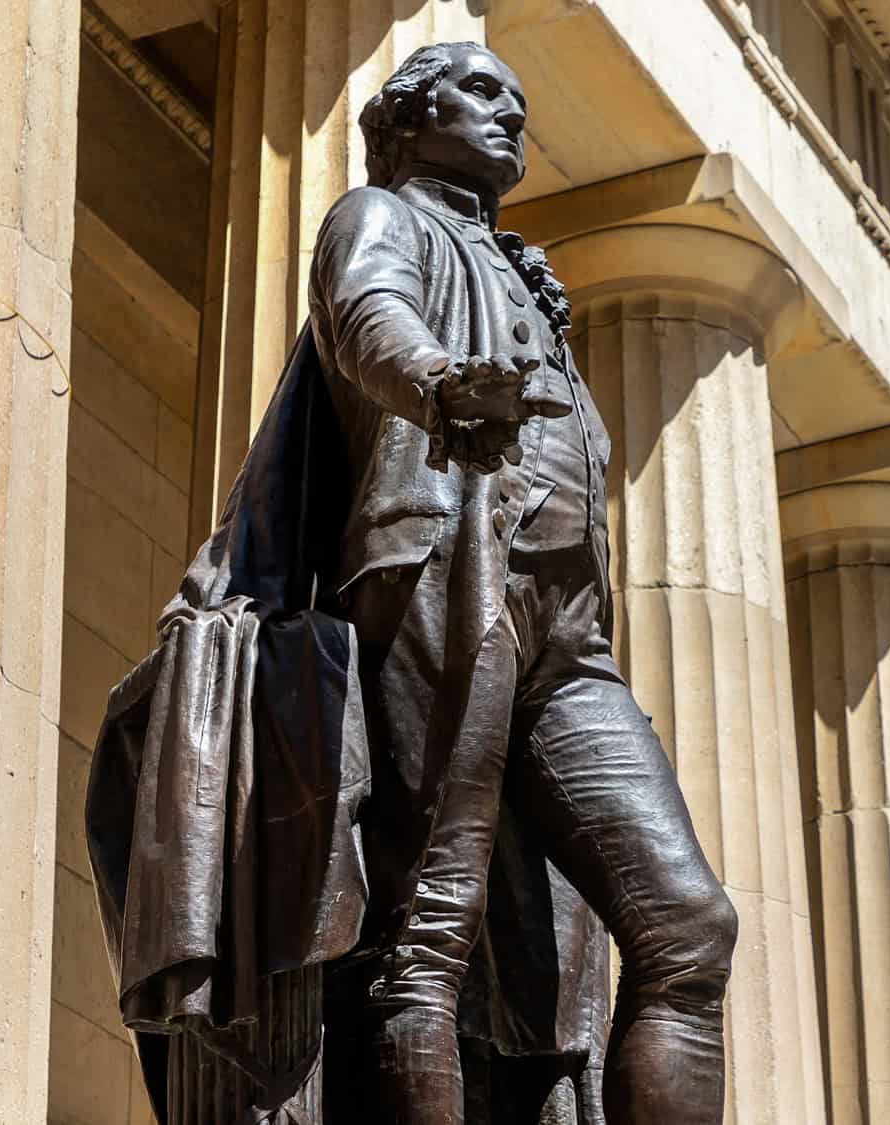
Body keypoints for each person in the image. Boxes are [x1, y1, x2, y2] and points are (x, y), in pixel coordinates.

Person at [304, 42, 737, 1123]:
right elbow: (366, 318)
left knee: (686, 927)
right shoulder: (381, 217)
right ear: (407, 115)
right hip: (442, 575)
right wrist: (440, 384)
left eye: (521, 101)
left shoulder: (514, 262)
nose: (514, 117)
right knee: (428, 934)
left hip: (565, 635)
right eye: (484, 92)